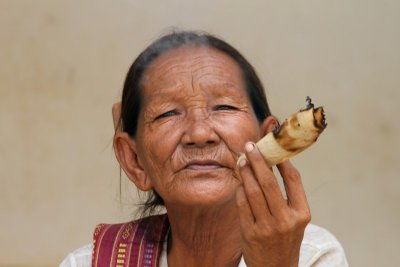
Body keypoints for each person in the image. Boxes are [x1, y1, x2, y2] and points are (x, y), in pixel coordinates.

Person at [60, 31, 348, 267]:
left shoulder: (312, 256)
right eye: (167, 113)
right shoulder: (90, 263)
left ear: (264, 140)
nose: (199, 134)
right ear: (134, 160)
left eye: (224, 107)